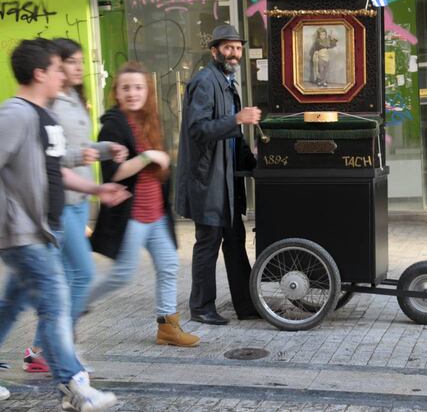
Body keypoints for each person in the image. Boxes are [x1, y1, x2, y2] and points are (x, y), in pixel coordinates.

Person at [0, 38, 127, 410]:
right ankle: (74, 384)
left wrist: (96, 187)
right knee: (55, 300)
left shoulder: (46, 116)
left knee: (11, 303)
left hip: (44, 230)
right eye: (58, 68)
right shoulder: (16, 114)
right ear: (40, 74)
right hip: (22, 231)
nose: (64, 75)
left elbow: (54, 171)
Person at [87, 61, 199, 348]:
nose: (132, 93)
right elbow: (114, 173)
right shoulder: (113, 124)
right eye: (126, 88)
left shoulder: (148, 120)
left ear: (146, 90)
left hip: (155, 213)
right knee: (121, 275)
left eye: (138, 87)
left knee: (169, 264)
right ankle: (73, 307)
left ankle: (167, 327)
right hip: (132, 215)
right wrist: (148, 156)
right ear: (117, 92)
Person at [176, 25, 260, 325]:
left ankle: (247, 305)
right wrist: (237, 118)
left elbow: (233, 136)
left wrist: (252, 162)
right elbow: (198, 129)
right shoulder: (205, 82)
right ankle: (200, 307)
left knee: (234, 240)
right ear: (214, 51)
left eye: (237, 48)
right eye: (227, 48)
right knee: (208, 242)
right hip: (208, 180)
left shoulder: (227, 83)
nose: (233, 53)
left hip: (225, 182)